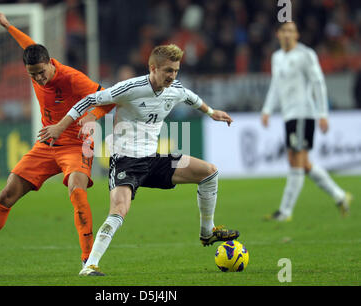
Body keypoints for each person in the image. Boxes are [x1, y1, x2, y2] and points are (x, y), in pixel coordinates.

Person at [38, 44, 240, 276]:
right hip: (126, 162)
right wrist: (60, 127)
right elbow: (87, 101)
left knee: (209, 172)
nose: (172, 76)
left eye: (175, 70)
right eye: (167, 71)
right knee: (119, 210)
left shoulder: (175, 88)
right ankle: (90, 265)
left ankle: (207, 232)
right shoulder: (131, 88)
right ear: (152, 68)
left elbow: (191, 97)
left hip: (153, 160)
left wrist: (211, 112)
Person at [0, 11, 114, 272]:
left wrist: (91, 116)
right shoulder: (36, 64)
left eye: (42, 73)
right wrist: (8, 25)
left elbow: (108, 99)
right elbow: (27, 45)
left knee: (76, 189)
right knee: (8, 192)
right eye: (33, 75)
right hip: (46, 145)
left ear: (50, 63)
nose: (39, 79)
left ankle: (88, 260)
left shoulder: (72, 78)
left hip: (76, 144)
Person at [261, 21, 352, 222]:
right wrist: (267, 109)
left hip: (303, 114)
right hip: (289, 115)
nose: (287, 34)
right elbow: (276, 85)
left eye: (291, 31)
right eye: (284, 31)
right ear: (278, 34)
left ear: (297, 34)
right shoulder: (277, 57)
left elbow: (318, 82)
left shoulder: (306, 54)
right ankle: (340, 196)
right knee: (303, 163)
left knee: (296, 160)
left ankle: (285, 212)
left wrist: (323, 113)